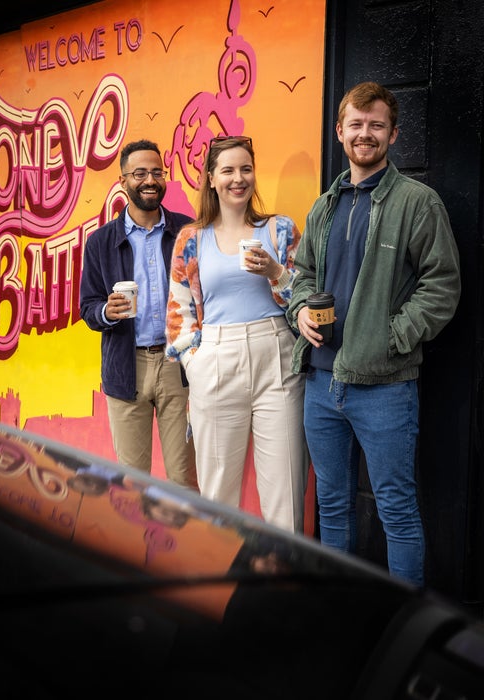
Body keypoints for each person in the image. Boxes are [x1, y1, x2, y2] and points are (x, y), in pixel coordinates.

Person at [286, 82, 461, 586]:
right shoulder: (324, 206)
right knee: (332, 507)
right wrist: (299, 311)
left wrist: (393, 335)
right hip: (321, 384)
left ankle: (405, 626)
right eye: (356, 125)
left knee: (396, 510)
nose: (366, 134)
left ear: (393, 134)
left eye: (376, 125)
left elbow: (442, 285)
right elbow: (303, 277)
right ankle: (338, 610)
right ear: (340, 132)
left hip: (385, 385)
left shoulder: (416, 202)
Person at [166, 135, 310, 533]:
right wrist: (195, 364)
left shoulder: (280, 230)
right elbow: (178, 312)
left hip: (277, 357)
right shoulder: (190, 239)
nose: (238, 178)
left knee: (286, 490)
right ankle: (220, 587)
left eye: (245, 168)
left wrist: (276, 274)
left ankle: (281, 587)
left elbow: (306, 297)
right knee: (217, 496)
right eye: (227, 170)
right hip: (215, 358)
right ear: (211, 178)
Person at [80, 139, 198, 489]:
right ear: (123, 182)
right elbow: (88, 308)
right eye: (140, 173)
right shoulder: (100, 242)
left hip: (178, 364)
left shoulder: (187, 231)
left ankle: (184, 543)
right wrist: (106, 311)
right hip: (125, 365)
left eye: (156, 172)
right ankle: (137, 544)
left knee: (183, 478)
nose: (150, 180)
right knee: (132, 484)